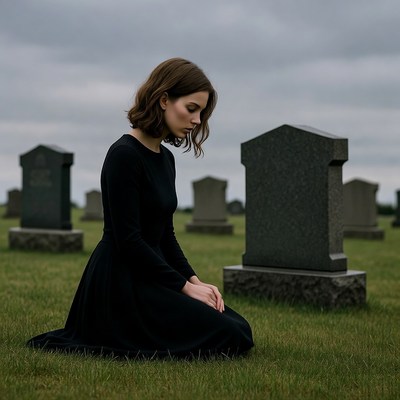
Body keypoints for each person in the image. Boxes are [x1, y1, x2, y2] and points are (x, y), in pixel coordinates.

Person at [27, 58, 254, 359]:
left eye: (201, 112)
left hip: (153, 273)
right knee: (227, 334)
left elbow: (165, 234)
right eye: (191, 109)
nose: (198, 120)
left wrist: (196, 281)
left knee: (236, 325)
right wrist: (183, 288)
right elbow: (129, 241)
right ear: (163, 100)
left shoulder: (166, 158)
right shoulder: (124, 155)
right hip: (121, 281)